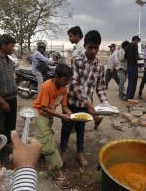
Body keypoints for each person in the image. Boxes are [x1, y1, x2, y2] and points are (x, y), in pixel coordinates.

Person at [60, 30, 107, 171]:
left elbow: (101, 87)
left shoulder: (99, 66)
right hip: (71, 102)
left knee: (81, 129)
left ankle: (79, 153)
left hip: (85, 105)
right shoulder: (77, 60)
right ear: (85, 46)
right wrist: (89, 104)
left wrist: (105, 103)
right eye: (90, 47)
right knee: (67, 127)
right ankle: (63, 150)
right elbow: (74, 84)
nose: (93, 51)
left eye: (96, 48)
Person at [32, 63, 73, 189]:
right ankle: (59, 171)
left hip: (49, 115)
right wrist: (62, 116)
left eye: (69, 80)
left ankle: (32, 152)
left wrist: (73, 116)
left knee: (43, 137)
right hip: (40, 114)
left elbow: (64, 106)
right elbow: (43, 107)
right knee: (49, 141)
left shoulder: (63, 88)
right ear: (57, 77)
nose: (67, 83)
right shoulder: (46, 86)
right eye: (65, 80)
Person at [125, 35, 140, 100]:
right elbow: (136, 56)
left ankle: (127, 96)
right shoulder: (134, 46)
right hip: (133, 66)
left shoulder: (127, 46)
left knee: (130, 82)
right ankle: (130, 98)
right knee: (133, 82)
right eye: (137, 41)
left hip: (129, 66)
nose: (137, 43)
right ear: (135, 40)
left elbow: (125, 57)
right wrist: (139, 57)